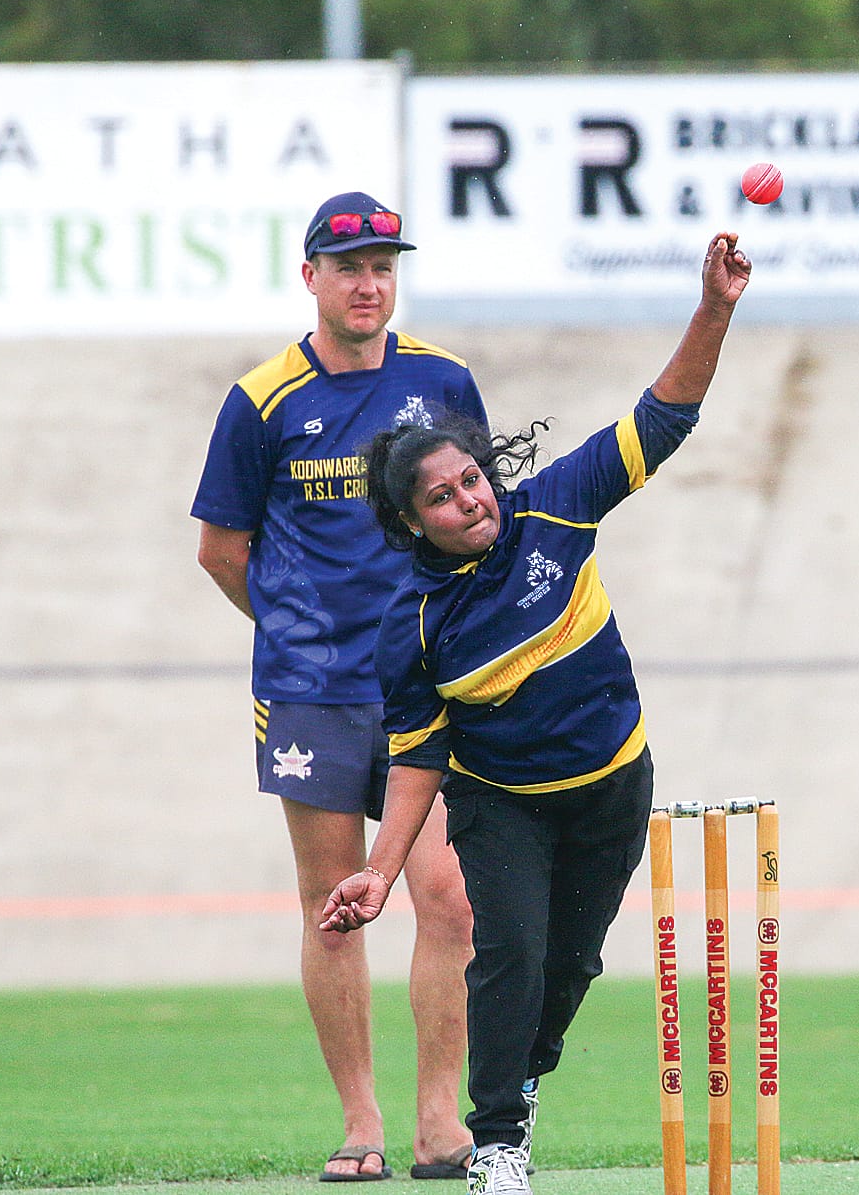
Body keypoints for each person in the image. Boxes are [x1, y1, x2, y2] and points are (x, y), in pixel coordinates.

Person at [315, 231, 753, 1195]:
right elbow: (419, 760)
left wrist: (714, 307)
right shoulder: (414, 626)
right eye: (442, 497)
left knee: (569, 968)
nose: (469, 501)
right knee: (504, 948)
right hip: (501, 799)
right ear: (411, 522)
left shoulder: (554, 506)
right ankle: (499, 1142)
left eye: (470, 479)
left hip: (610, 781)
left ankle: (523, 1078)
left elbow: (663, 416)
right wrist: (380, 873)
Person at [192, 192, 481, 1183]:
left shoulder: (442, 382)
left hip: (423, 695)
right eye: (349, 267)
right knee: (333, 903)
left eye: (383, 267)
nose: (369, 284)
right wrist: (293, 630)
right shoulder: (262, 399)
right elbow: (221, 551)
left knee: (446, 899)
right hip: (311, 692)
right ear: (309, 275)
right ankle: (361, 1126)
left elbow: (475, 521)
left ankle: (439, 1124)